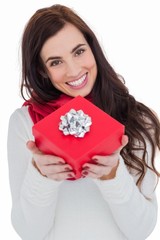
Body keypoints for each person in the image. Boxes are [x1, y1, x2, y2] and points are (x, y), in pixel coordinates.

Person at [7, 4, 160, 240]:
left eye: (79, 52)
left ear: (93, 49)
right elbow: (29, 232)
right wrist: (41, 177)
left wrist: (112, 175)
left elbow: (141, 230)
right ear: (42, 71)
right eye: (56, 62)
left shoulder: (138, 120)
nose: (74, 70)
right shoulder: (25, 124)